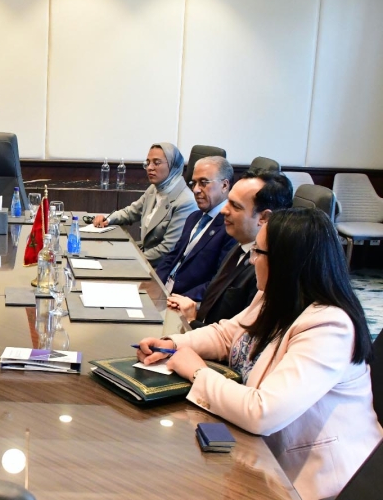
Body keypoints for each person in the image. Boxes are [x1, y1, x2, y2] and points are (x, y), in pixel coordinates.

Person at [135, 208, 382, 499]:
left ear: (286, 262)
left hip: (312, 478)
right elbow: (228, 334)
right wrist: (174, 344)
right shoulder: (274, 294)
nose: (251, 260)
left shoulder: (329, 326)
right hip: (259, 452)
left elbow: (263, 413)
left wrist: (197, 371)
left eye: (258, 252)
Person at [168, 171, 292, 328]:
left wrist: (192, 322)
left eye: (235, 206)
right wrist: (192, 308)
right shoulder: (239, 246)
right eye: (228, 202)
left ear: (264, 218)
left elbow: (242, 335)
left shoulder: (267, 269)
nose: (223, 210)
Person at [92, 143, 198, 266]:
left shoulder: (186, 202)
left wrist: (130, 260)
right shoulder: (154, 189)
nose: (150, 168)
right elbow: (131, 212)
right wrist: (108, 219)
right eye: (147, 163)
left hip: (159, 269)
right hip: (144, 257)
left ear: (173, 165)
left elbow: (166, 251)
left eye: (156, 163)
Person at [154, 156, 236, 300]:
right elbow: (172, 257)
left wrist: (179, 300)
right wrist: (154, 284)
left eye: (204, 183)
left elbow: (219, 281)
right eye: (194, 183)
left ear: (224, 185)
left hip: (186, 300)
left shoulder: (231, 226)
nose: (196, 190)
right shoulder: (194, 217)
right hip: (163, 291)